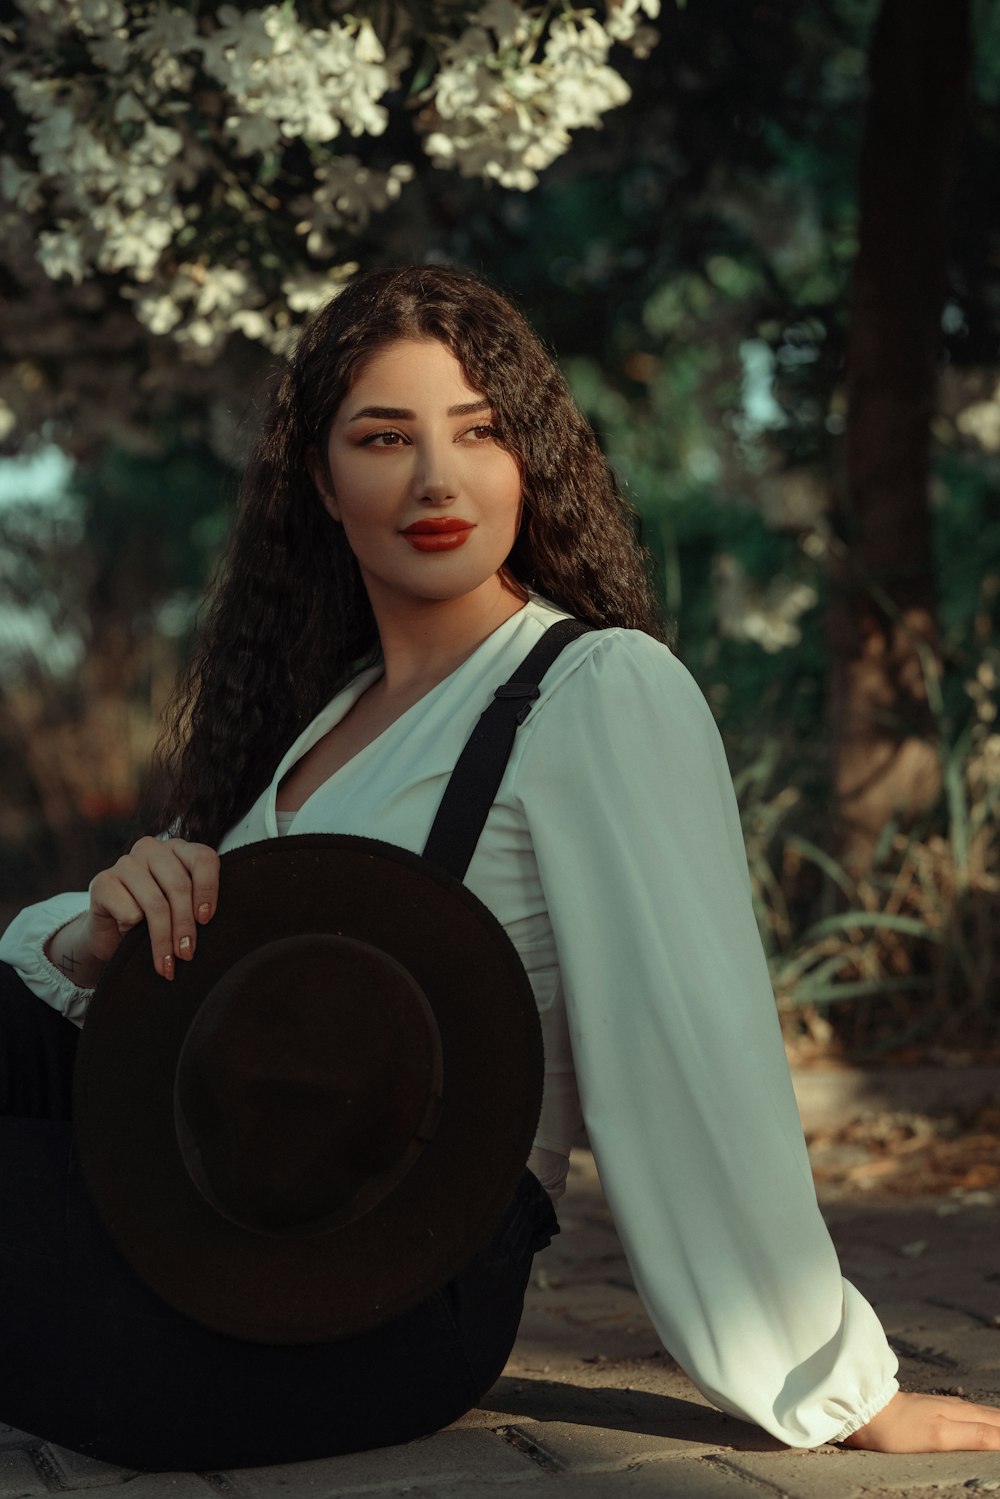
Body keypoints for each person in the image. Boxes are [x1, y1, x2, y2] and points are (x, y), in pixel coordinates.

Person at [2, 264, 999, 1468]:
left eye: (478, 431)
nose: (436, 477)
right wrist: (92, 939)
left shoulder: (596, 689)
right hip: (211, 1220)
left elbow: (696, 1053)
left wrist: (838, 1386)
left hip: (386, 1288)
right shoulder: (327, 719)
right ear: (321, 480)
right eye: (384, 437)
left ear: (529, 457)